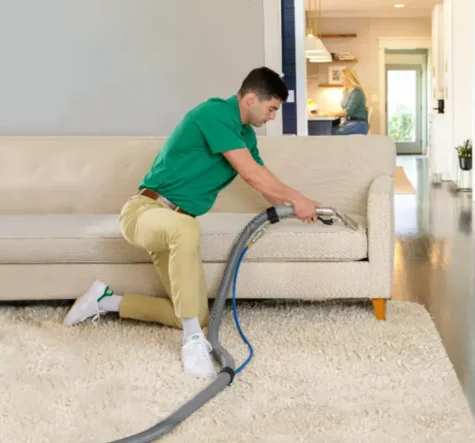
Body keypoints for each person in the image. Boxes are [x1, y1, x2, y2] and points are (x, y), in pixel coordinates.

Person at [62, 67, 321, 379]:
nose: (272, 118)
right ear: (251, 98)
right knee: (187, 230)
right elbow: (252, 175)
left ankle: (104, 301)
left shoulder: (246, 136)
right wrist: (296, 197)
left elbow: (262, 181)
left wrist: (302, 205)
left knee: (193, 314)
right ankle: (192, 342)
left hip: (174, 227)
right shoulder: (214, 113)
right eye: (271, 109)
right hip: (145, 212)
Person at [329, 68, 369, 135]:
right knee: (329, 130)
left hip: (358, 124)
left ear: (348, 79)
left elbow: (348, 111)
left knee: (331, 132)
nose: (340, 81)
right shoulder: (348, 91)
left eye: (342, 78)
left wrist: (332, 114)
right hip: (350, 122)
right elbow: (343, 106)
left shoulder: (357, 92)